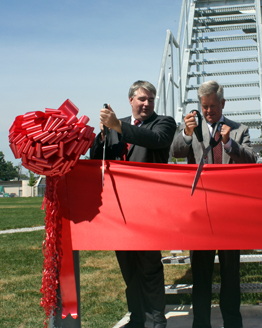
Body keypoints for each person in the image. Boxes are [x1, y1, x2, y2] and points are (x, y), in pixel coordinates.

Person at [171, 80, 257, 328]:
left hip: (229, 213)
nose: (208, 111)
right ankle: (201, 324)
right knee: (201, 274)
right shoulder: (190, 127)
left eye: (212, 106)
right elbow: (175, 152)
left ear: (223, 103)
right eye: (204, 106)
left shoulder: (239, 129)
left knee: (231, 274)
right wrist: (186, 133)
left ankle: (232, 322)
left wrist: (230, 144)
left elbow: (251, 160)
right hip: (200, 213)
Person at [90, 80, 176, 328]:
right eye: (142, 99)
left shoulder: (164, 123)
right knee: (128, 267)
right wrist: (103, 135)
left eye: (151, 99)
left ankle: (157, 320)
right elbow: (96, 157)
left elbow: (156, 139)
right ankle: (138, 318)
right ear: (131, 100)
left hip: (148, 210)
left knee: (149, 266)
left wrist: (118, 125)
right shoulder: (116, 126)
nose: (147, 103)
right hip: (119, 210)